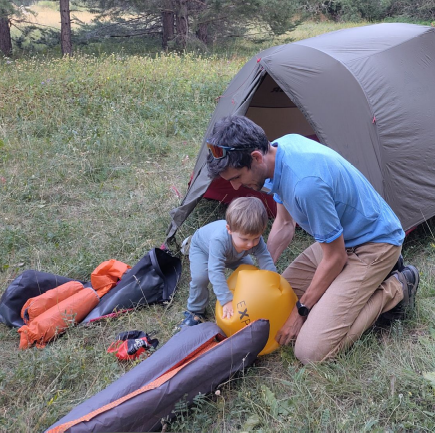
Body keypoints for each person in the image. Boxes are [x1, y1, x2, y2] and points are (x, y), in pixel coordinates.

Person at [205, 114, 420, 364]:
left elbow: (336, 257)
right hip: (339, 241)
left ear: (255, 158)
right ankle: (357, 285)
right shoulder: (278, 150)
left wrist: (301, 312)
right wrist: (261, 277)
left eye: (236, 178)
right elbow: (284, 224)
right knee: (277, 301)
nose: (235, 188)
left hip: (374, 245)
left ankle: (397, 286)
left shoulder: (306, 186)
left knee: (310, 350)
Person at [180, 196, 277, 327]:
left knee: (248, 271)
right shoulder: (219, 240)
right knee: (201, 277)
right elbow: (215, 270)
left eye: (256, 238)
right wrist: (225, 300)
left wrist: (273, 282)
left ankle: (244, 298)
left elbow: (265, 259)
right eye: (244, 239)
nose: (250, 244)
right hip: (203, 249)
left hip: (234, 255)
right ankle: (195, 310)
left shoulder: (254, 240)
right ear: (229, 229)